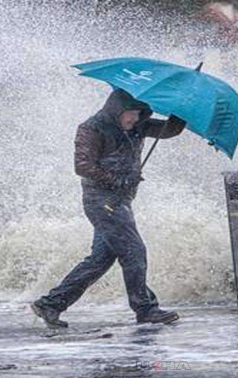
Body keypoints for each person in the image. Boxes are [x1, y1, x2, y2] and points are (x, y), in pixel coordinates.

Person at [31, 88, 186, 328]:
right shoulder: (92, 128)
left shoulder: (138, 126)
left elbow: (170, 130)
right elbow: (82, 166)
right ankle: (145, 309)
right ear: (117, 110)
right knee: (134, 251)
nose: (134, 119)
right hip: (101, 200)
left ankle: (50, 304)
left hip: (121, 201)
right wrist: (116, 179)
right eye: (130, 114)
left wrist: (181, 109)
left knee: (100, 259)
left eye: (139, 113)